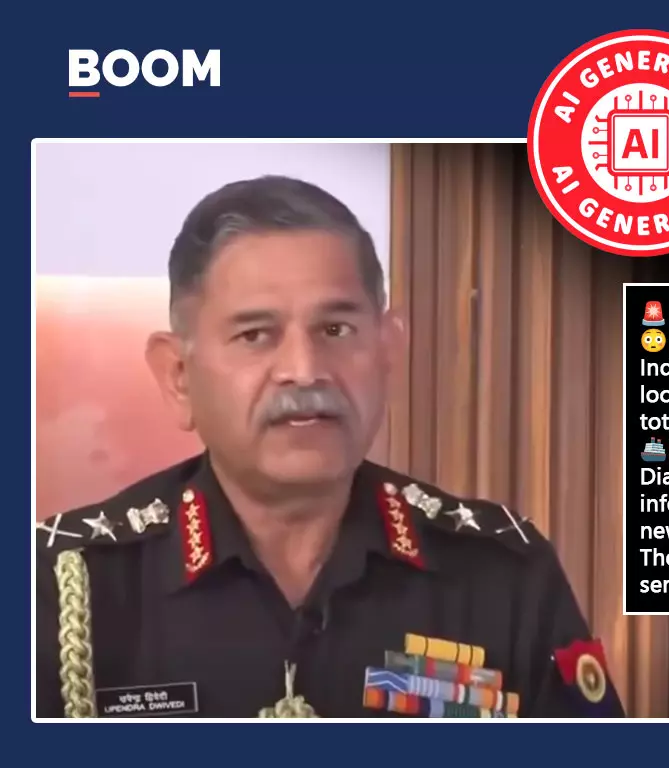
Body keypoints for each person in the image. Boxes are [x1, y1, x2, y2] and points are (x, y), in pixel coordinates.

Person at [34, 175, 625, 719]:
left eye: (335, 330)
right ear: (179, 377)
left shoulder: (502, 575)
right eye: (255, 335)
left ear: (388, 351)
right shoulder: (59, 587)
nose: (304, 369)